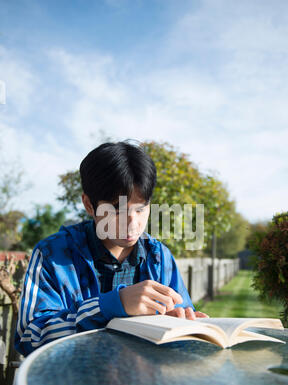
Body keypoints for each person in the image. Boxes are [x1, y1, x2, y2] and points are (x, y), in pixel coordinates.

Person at [15, 140, 208, 358]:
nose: (132, 223)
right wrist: (113, 304)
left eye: (141, 208)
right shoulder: (53, 254)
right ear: (89, 205)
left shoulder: (160, 257)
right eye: (117, 210)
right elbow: (29, 337)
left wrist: (183, 323)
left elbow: (183, 321)